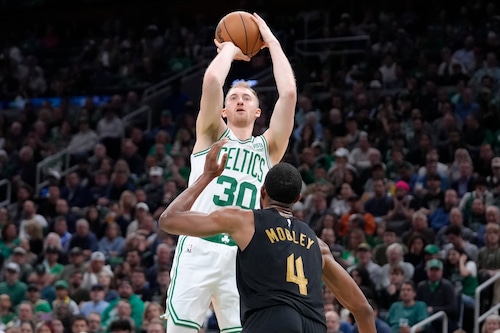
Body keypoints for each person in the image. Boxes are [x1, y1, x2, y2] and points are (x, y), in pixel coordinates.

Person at [164, 12, 298, 333]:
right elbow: (212, 82)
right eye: (233, 97)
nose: (239, 99)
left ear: (257, 111)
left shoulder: (270, 147)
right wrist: (228, 48)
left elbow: (289, 94)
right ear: (223, 110)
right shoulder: (211, 133)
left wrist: (271, 41)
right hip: (199, 242)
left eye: (247, 97)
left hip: (242, 254)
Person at [160, 139, 375, 333]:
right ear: (298, 199)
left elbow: (169, 220)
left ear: (262, 192)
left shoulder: (246, 221)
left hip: (272, 319)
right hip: (314, 325)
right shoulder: (318, 245)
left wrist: (207, 176)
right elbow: (364, 310)